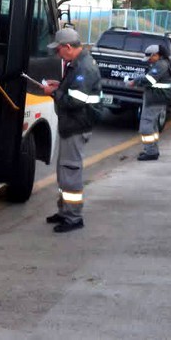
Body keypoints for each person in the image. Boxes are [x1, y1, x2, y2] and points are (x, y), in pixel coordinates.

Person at [42, 27, 102, 233]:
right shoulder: (77, 64)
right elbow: (76, 92)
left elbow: (75, 101)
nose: (57, 54)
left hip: (76, 125)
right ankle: (65, 211)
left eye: (58, 50)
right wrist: (59, 86)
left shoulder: (83, 68)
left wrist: (54, 93)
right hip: (72, 124)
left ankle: (74, 217)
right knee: (64, 171)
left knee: (70, 172)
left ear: (68, 47)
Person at [128, 44, 171, 161]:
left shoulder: (161, 65)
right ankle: (152, 150)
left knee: (146, 126)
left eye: (150, 58)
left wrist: (135, 81)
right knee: (152, 125)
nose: (149, 61)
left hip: (156, 99)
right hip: (156, 98)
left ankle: (151, 152)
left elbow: (149, 80)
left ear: (156, 55)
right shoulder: (161, 64)